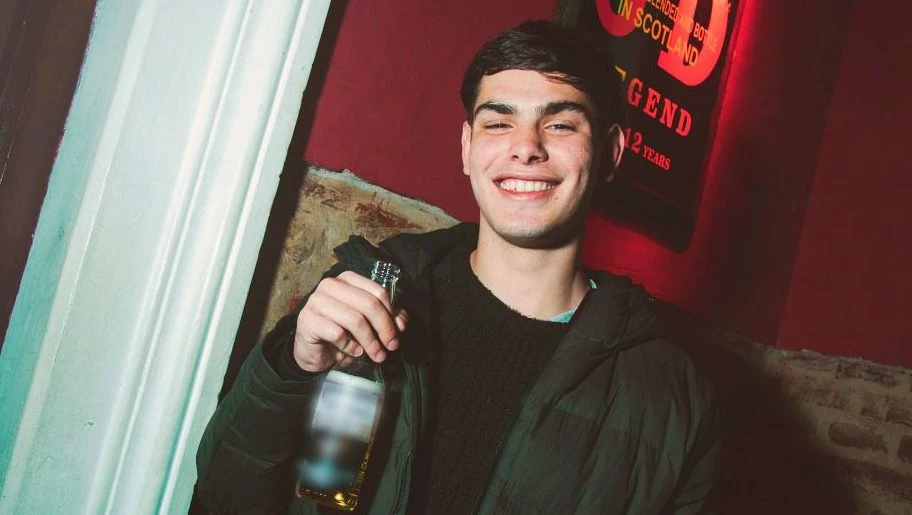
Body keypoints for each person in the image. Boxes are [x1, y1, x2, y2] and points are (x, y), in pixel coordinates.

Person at [196, 19, 720, 515]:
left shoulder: (673, 395)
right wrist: (292, 371)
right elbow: (224, 497)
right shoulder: (371, 290)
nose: (526, 148)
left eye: (560, 124)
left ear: (609, 153)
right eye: (499, 123)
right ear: (467, 147)